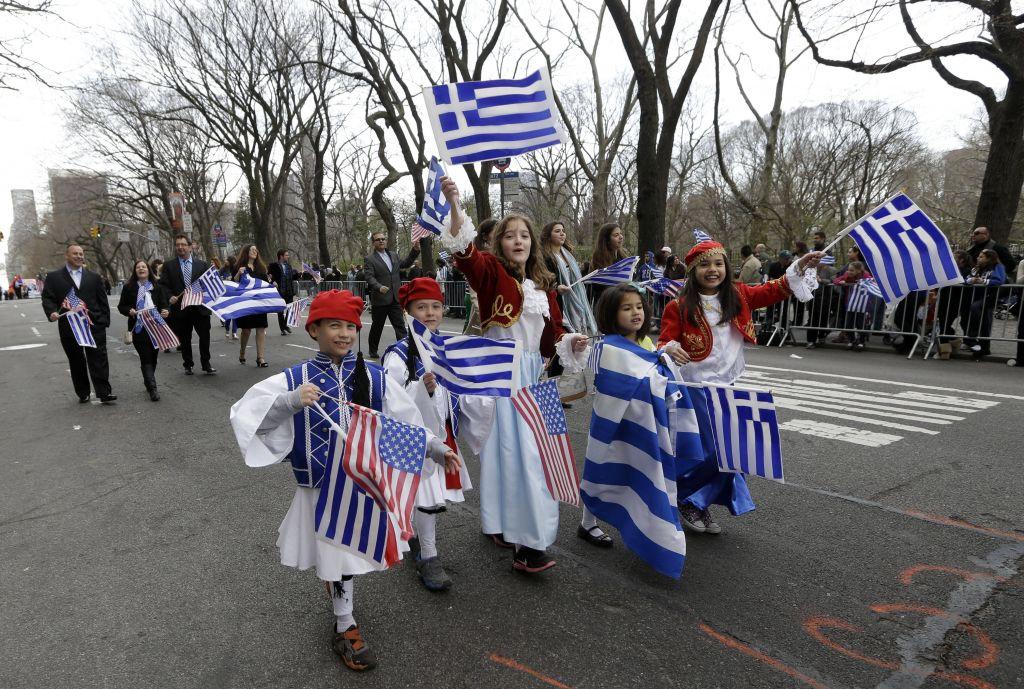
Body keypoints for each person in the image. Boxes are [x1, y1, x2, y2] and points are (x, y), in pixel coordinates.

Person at [229, 288, 458, 672]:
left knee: (348, 555)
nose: (344, 334)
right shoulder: (296, 378)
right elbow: (247, 418)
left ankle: (343, 615)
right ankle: (344, 624)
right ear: (313, 329)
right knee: (337, 559)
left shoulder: (375, 376)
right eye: (334, 325)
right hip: (321, 487)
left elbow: (404, 420)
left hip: (362, 486)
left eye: (350, 326)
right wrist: (289, 401)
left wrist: (435, 448)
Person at [440, 177, 588, 574]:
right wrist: (455, 202)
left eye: (525, 235)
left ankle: (521, 531)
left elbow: (551, 335)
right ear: (499, 243)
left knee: (542, 456)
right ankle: (525, 542)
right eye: (510, 236)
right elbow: (464, 251)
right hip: (503, 378)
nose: (519, 241)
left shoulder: (543, 286)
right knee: (514, 458)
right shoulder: (489, 274)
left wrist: (572, 342)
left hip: (536, 379)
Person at [658, 240, 820, 533]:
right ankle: (686, 498)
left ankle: (696, 501)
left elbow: (777, 288)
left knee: (736, 455)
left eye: (718, 264)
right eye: (705, 265)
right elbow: (663, 341)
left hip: (730, 387)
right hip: (696, 389)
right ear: (694, 271)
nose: (713, 270)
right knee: (711, 453)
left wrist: (800, 266)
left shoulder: (739, 295)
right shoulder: (678, 306)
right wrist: (669, 347)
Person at [382, 278, 473, 592]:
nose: (430, 313)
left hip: (440, 431)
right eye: (421, 307)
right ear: (408, 312)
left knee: (428, 495)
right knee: (426, 496)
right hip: (415, 438)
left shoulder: (445, 347)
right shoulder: (398, 355)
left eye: (436, 306)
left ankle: (420, 541)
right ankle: (429, 555)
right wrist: (422, 388)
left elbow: (457, 389)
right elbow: (392, 401)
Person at [41, 245, 117, 404]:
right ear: (67, 256)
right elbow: (48, 298)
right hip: (69, 326)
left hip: (93, 324)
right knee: (77, 361)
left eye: (81, 254)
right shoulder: (54, 277)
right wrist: (52, 312)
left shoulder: (94, 277)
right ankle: (83, 392)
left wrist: (104, 321)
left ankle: (104, 392)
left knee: (99, 359)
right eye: (75, 253)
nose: (79, 256)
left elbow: (102, 300)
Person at [160, 234, 216, 376]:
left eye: (183, 244)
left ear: (190, 247)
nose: (180, 247)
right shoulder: (169, 266)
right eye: (178, 245)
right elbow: (163, 286)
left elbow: (208, 285)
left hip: (200, 308)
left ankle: (206, 363)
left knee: (204, 337)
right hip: (181, 309)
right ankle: (188, 364)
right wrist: (170, 296)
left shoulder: (202, 265)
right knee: (185, 338)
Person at [117, 259, 171, 401]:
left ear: (148, 270)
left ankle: (148, 380)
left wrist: (166, 311)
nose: (141, 269)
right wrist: (130, 310)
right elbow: (121, 306)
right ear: (135, 271)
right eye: (138, 267)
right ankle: (153, 388)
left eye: (144, 267)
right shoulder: (129, 287)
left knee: (153, 357)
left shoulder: (156, 287)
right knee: (145, 356)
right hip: (138, 328)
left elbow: (164, 305)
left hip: (156, 327)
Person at [364, 232, 420, 358]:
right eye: (378, 240)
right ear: (373, 243)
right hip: (380, 299)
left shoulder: (393, 255)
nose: (381, 241)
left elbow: (405, 264)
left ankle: (405, 350)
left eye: (383, 239)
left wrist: (415, 250)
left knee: (400, 326)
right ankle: (373, 350)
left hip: (395, 298)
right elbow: (369, 277)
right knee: (377, 327)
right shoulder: (370, 259)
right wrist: (379, 287)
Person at [541, 220, 598, 336]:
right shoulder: (545, 257)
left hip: (573, 297)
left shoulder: (568, 254)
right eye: (557, 231)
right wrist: (557, 289)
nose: (562, 234)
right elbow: (543, 281)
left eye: (563, 231)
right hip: (558, 303)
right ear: (548, 236)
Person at [962, 248, 1007, 358]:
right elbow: (965, 279)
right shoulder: (976, 268)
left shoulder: (998, 267)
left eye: (981, 257)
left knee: (982, 317)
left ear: (989, 259)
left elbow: (1000, 280)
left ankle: (976, 341)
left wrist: (983, 281)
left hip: (989, 297)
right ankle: (981, 347)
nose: (978, 258)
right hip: (976, 296)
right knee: (979, 321)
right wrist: (971, 280)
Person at [234, 244, 270, 367]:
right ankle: (242, 352)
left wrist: (272, 284)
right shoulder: (240, 267)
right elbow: (234, 283)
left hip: (259, 303)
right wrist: (238, 274)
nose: (255, 251)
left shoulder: (261, 268)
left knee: (261, 328)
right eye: (252, 250)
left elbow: (266, 283)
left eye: (256, 249)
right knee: (246, 330)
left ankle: (260, 358)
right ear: (246, 252)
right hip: (246, 303)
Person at [832, 261, 871, 350]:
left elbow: (872, 282)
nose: (849, 272)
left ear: (858, 270)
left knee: (860, 323)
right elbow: (836, 280)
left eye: (851, 270)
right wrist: (840, 282)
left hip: (862, 304)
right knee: (849, 323)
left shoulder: (865, 276)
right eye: (849, 270)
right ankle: (851, 340)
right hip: (850, 303)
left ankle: (861, 341)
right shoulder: (847, 275)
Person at [589, 222, 629, 303]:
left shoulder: (624, 257)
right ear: (607, 240)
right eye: (616, 235)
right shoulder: (598, 260)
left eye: (621, 234)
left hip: (623, 302)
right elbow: (598, 287)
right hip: (605, 304)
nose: (621, 237)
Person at [268, 249, 297, 336]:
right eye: (286, 255)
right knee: (280, 311)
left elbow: (292, 277)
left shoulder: (288, 266)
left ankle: (285, 325)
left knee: (290, 309)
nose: (288, 257)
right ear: (281, 256)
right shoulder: (274, 266)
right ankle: (282, 329)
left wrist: (298, 274)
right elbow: (268, 276)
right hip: (280, 291)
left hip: (289, 291)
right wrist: (272, 281)